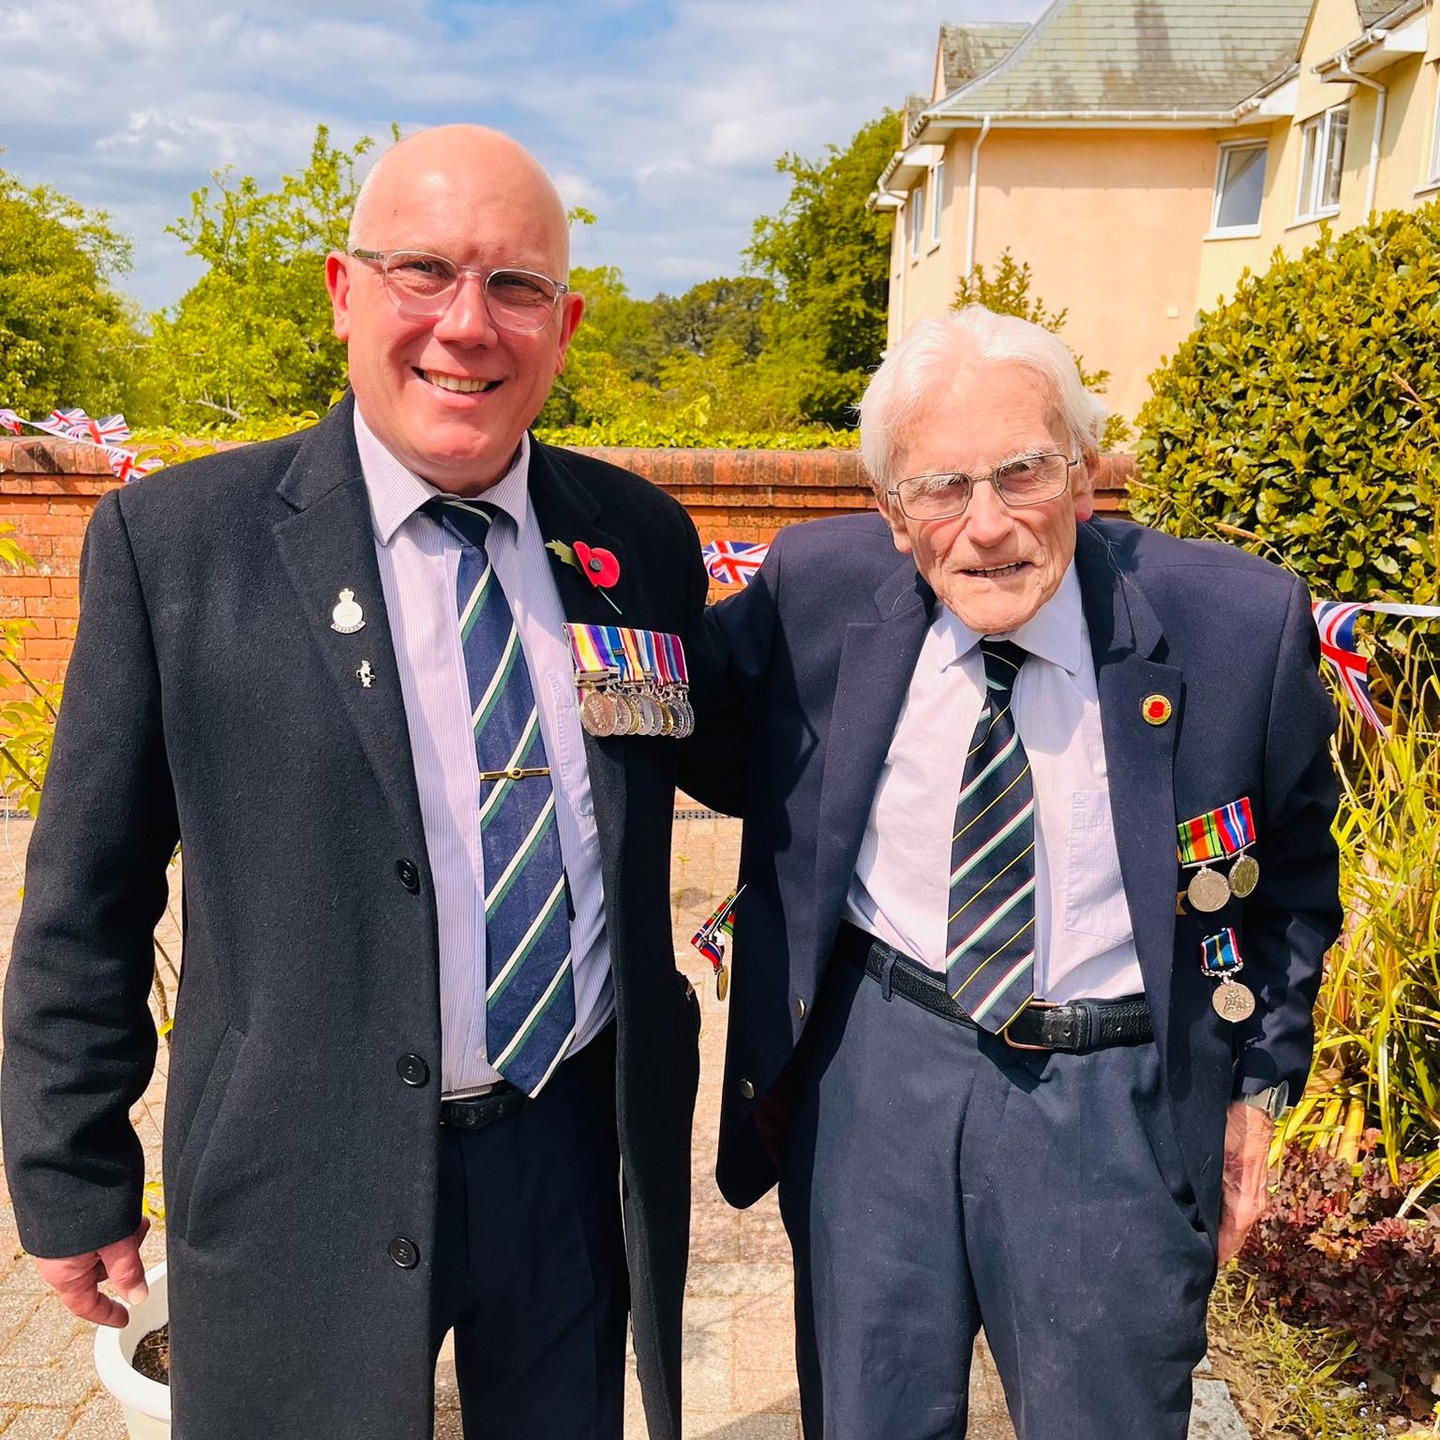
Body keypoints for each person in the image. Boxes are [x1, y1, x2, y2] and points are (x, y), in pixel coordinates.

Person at [2, 125, 708, 1440]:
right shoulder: (179, 547)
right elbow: (88, 892)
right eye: (423, 271)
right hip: (299, 1169)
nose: (467, 325)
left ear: (564, 326)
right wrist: (67, 1166)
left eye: (515, 286)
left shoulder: (640, 543)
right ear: (344, 291)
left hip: (569, 1156)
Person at [683, 306, 1341, 1439]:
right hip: (878, 1070)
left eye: (1023, 472)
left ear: (1082, 476)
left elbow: (1294, 875)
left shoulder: (1237, 624)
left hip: (1112, 1101)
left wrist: (1259, 1084)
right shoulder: (815, 589)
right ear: (893, 514)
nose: (986, 526)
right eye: (941, 488)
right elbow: (678, 719)